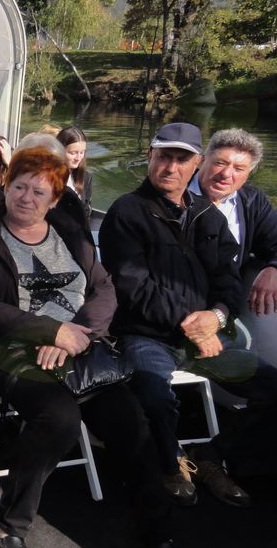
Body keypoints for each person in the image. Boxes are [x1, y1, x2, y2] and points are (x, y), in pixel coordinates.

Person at [0, 146, 183, 548]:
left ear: (55, 199)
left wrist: (74, 337)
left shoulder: (72, 236)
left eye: (38, 191)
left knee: (132, 422)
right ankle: (10, 524)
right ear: (6, 187)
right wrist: (49, 331)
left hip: (77, 350)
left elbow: (105, 291)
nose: (26, 198)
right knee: (59, 417)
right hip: (11, 352)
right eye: (19, 187)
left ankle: (158, 532)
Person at [99, 122, 277, 508]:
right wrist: (198, 325)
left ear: (196, 164)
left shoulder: (207, 216)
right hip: (145, 334)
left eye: (182, 159)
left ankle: (211, 456)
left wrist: (218, 316)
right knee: (155, 397)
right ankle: (171, 463)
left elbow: (227, 279)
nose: (171, 167)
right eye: (164, 156)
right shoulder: (126, 212)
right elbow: (134, 287)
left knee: (271, 388)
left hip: (206, 335)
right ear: (150, 156)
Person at [188, 128, 277, 319]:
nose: (227, 174)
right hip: (171, 302)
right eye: (220, 163)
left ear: (248, 174)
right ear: (201, 160)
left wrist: (273, 268)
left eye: (239, 168)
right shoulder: (174, 191)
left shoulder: (252, 202)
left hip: (221, 308)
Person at [56, 125, 93, 220]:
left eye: (82, 152)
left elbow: (86, 210)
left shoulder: (86, 177)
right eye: (73, 153)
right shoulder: (47, 177)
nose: (78, 158)